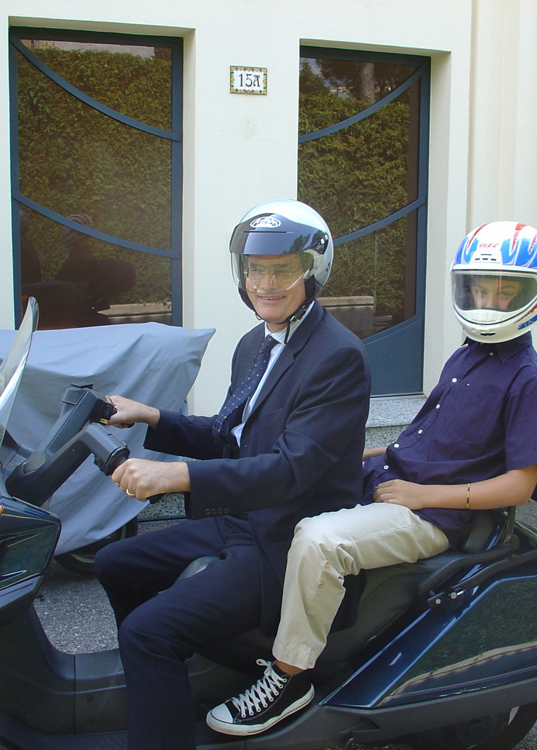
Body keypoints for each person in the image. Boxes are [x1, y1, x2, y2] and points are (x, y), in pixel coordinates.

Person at [205, 221, 537, 737]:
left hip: (432, 514)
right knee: (292, 492)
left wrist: (422, 494)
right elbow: (428, 437)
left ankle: (289, 677)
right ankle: (249, 630)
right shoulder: (466, 355)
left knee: (320, 539)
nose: (489, 302)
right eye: (480, 290)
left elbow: (520, 487)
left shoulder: (530, 380)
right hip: (395, 482)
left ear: (535, 293)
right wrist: (361, 454)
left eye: (505, 292)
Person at [93, 199, 371, 750]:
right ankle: (171, 686)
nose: (265, 284)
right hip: (243, 519)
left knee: (148, 633)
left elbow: (290, 470)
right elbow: (231, 436)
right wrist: (150, 416)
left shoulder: (338, 356)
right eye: (254, 269)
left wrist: (176, 478)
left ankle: (161, 702)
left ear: (313, 271)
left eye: (282, 269)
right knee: (115, 563)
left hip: (283, 541)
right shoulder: (255, 343)